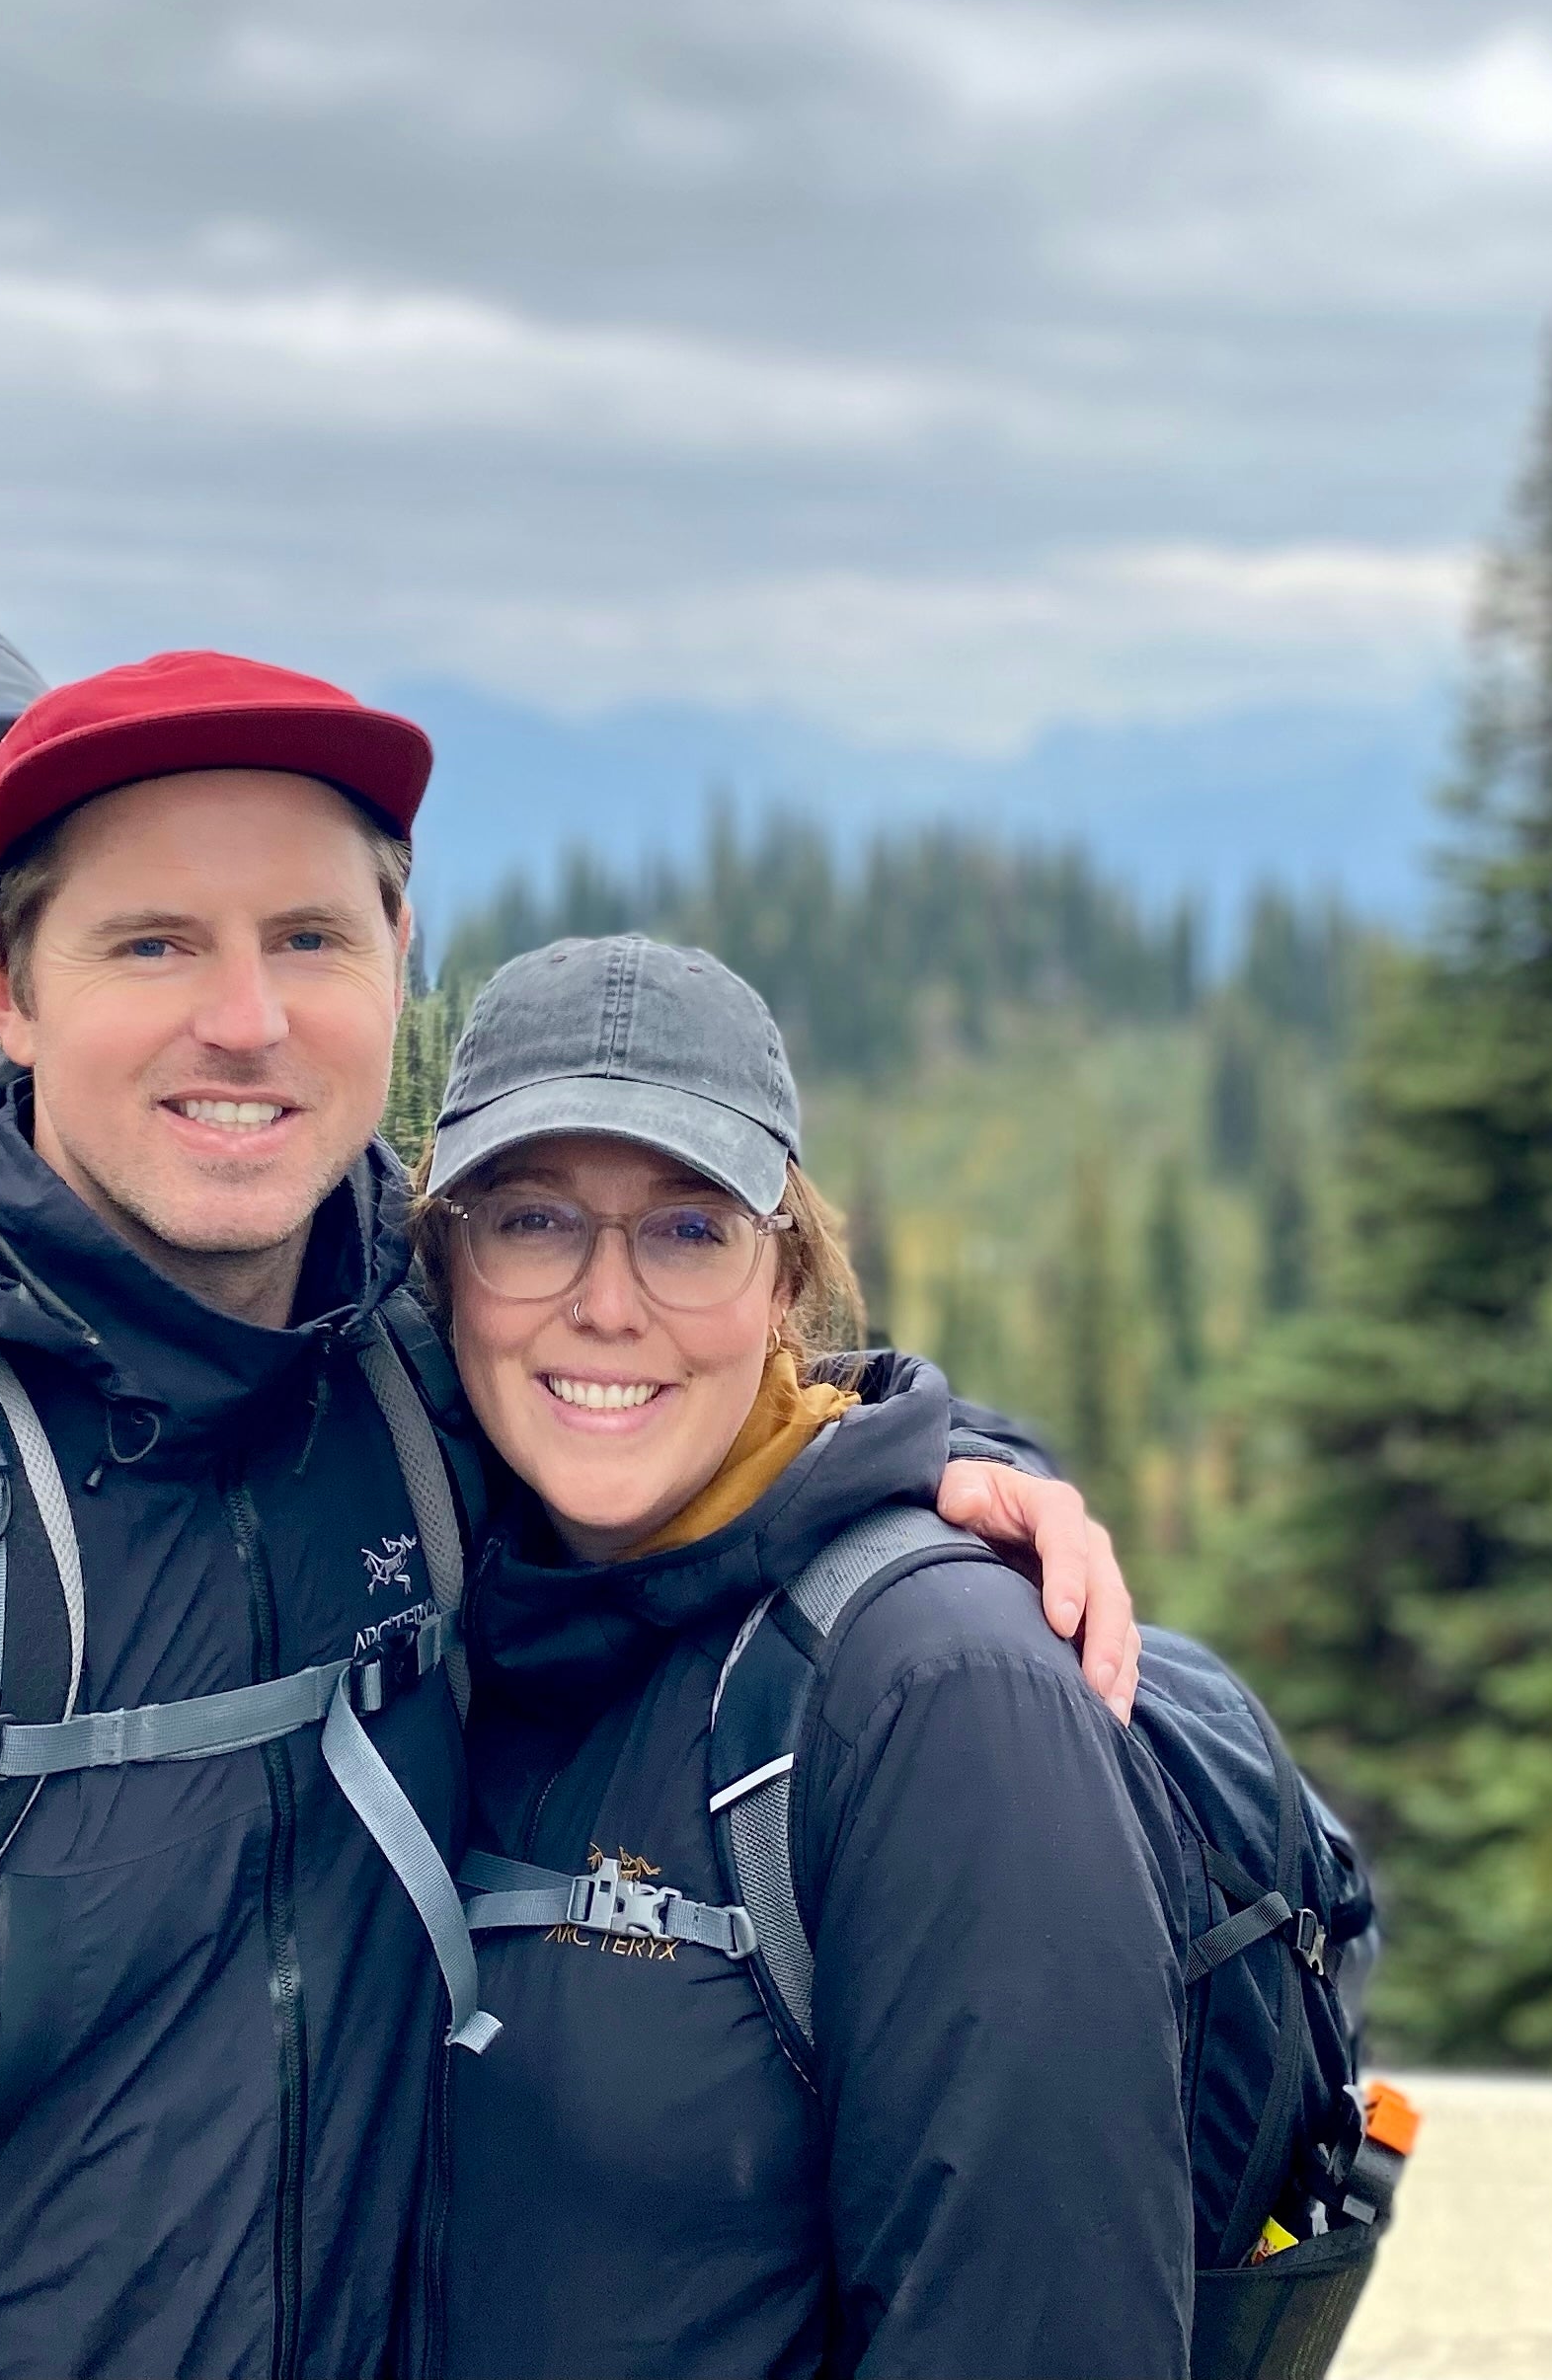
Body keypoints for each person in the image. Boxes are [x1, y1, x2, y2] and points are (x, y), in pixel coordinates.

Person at [0, 653, 1138, 2380]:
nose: (244, 1016)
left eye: (309, 937)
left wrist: (935, 1469)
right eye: (152, 940)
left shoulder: (418, 1369)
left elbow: (673, 1394)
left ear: (399, 963)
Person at [431, 934, 1196, 2379]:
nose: (607, 1301)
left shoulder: (938, 1694)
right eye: (531, 1221)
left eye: (688, 1228)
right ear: (445, 1269)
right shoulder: (441, 1606)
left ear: (785, 1283)